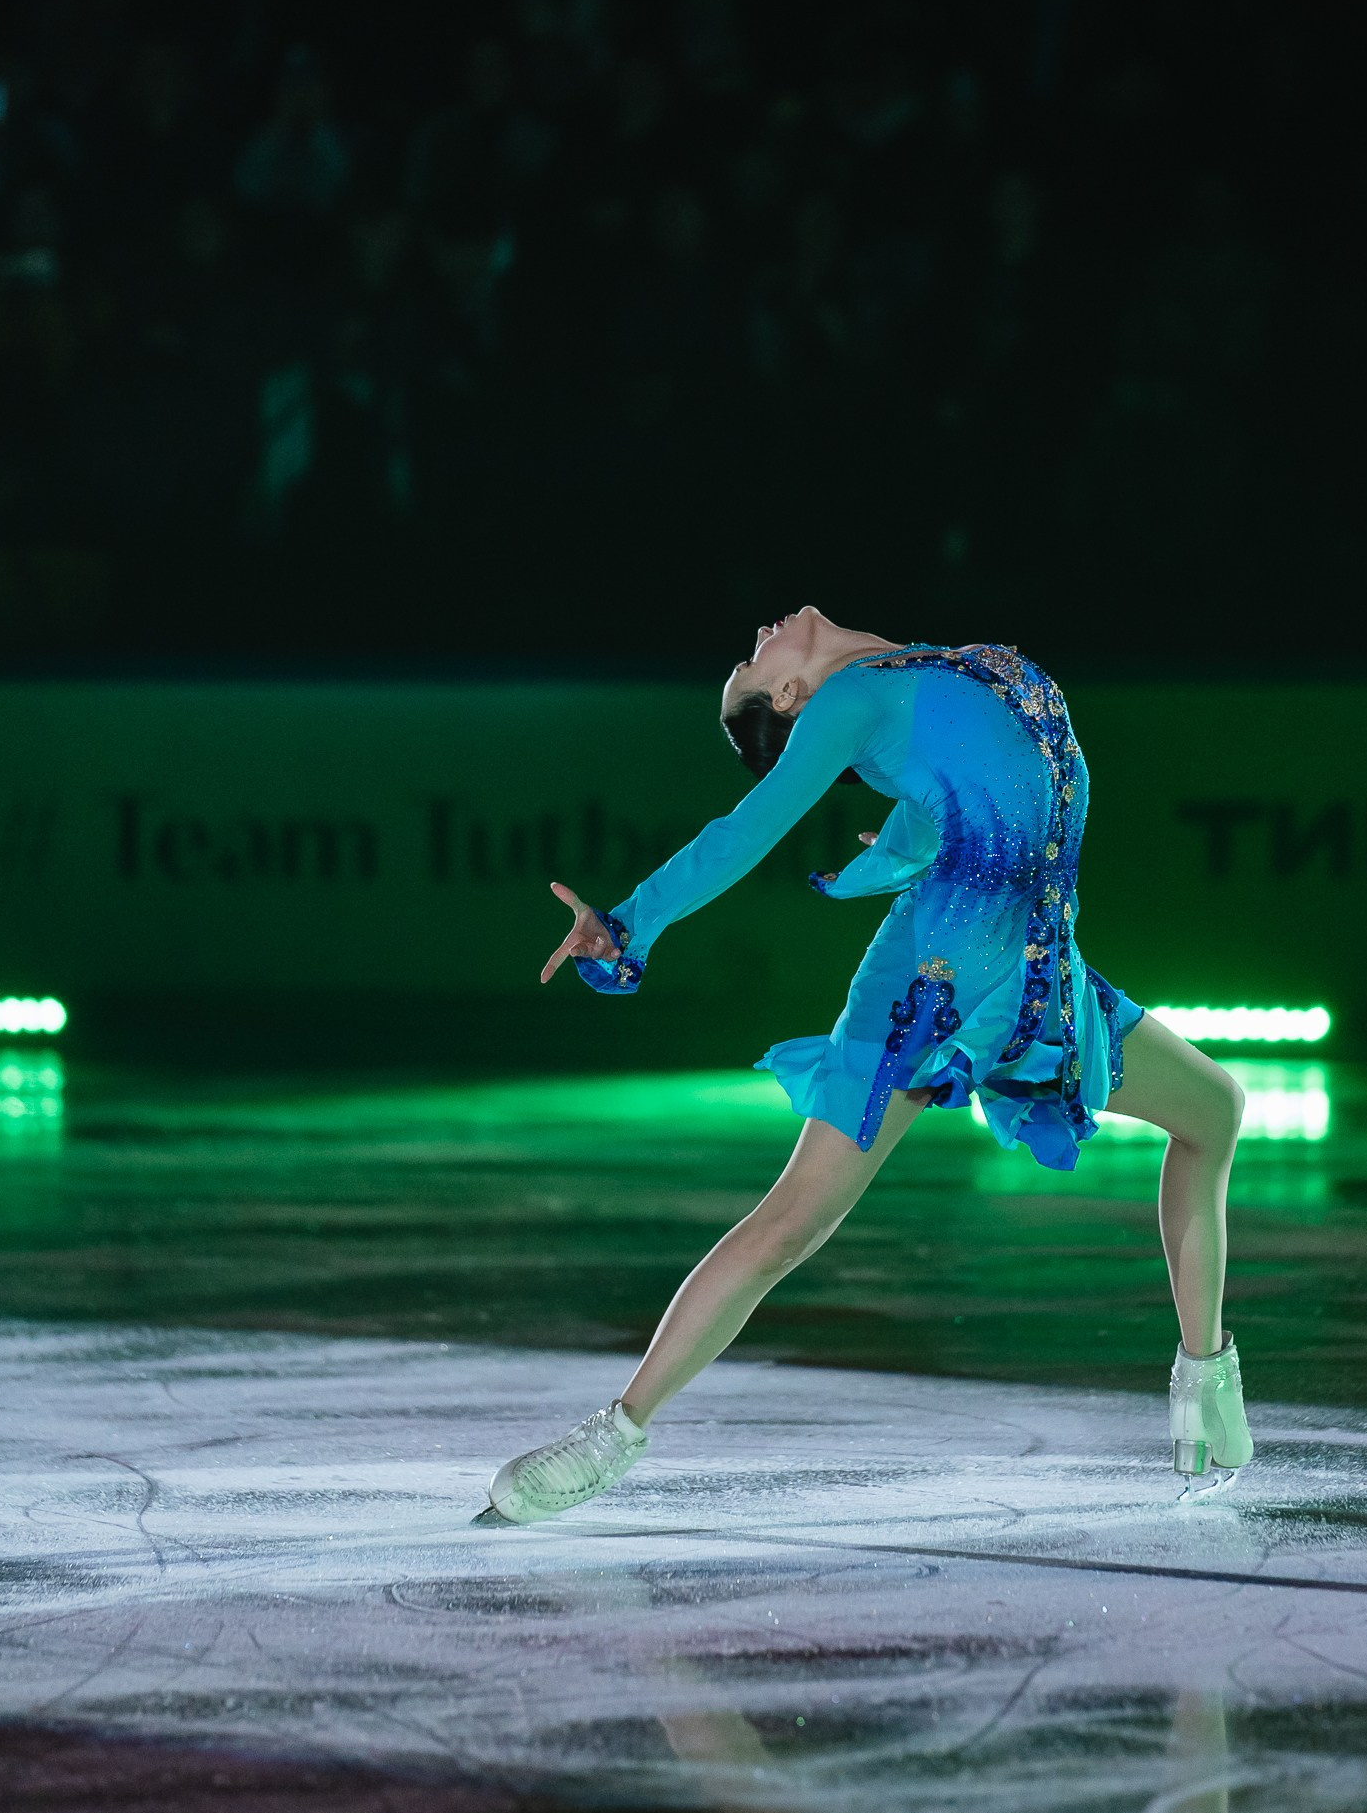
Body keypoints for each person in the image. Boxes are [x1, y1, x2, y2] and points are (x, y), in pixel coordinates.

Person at [484, 608, 1252, 1521]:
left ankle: (1204, 1375)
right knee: (792, 1224)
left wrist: (906, 843)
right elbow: (744, 832)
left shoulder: (930, 664)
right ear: (791, 697)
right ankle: (614, 1434)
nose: (760, 632)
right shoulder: (845, 701)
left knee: (1215, 1111)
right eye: (751, 661)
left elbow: (982, 785)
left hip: (1037, 973)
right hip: (926, 990)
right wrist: (625, 925)